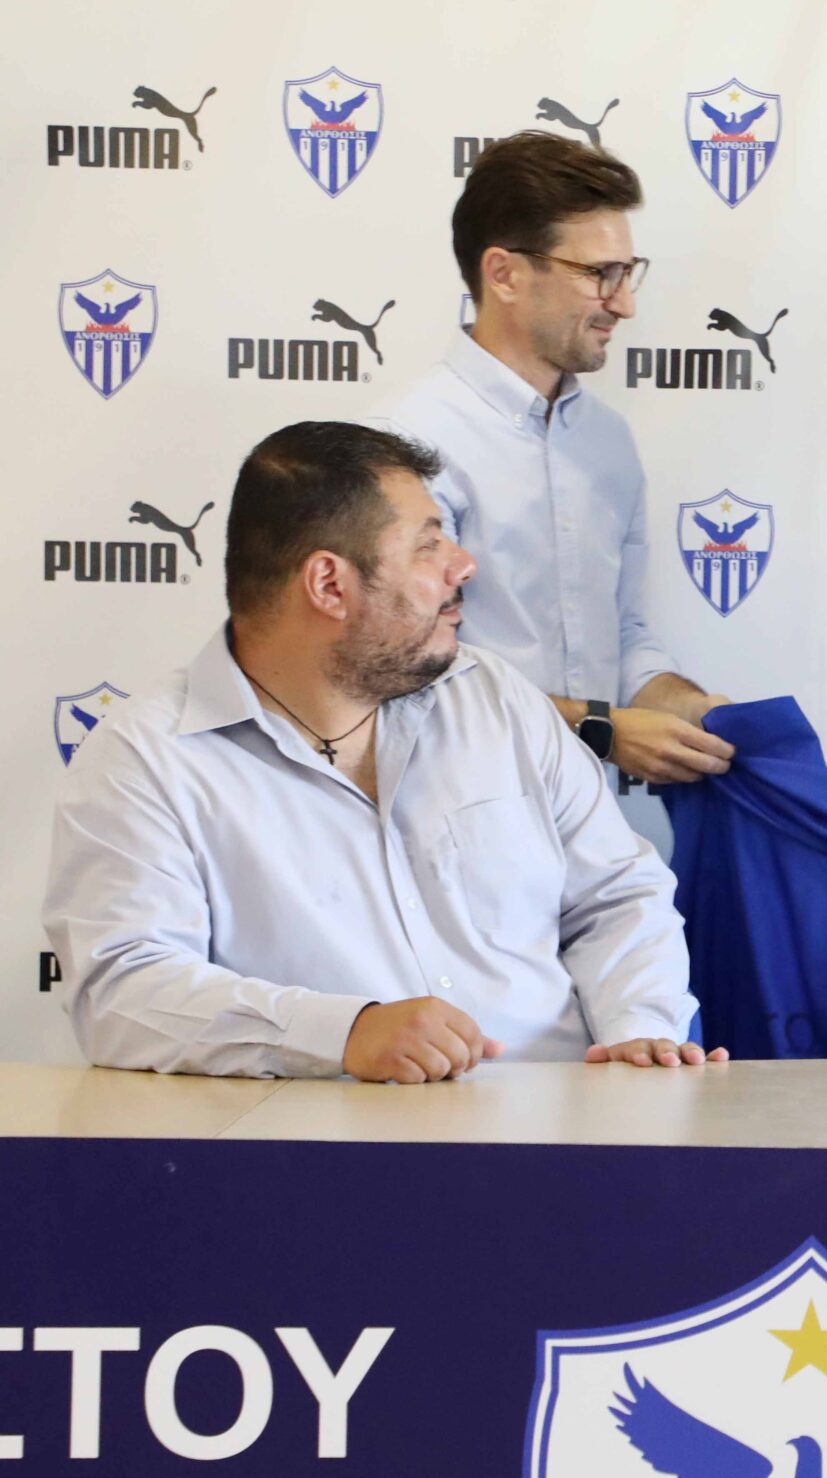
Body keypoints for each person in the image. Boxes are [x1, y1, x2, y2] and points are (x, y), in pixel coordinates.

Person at [44, 421, 724, 1082]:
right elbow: (123, 992)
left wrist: (639, 1029)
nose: (463, 565)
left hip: (569, 1126)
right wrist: (341, 1033)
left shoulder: (494, 697)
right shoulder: (147, 760)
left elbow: (616, 896)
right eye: (429, 545)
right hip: (334, 1148)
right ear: (329, 585)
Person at [378, 130, 733, 791]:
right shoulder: (402, 445)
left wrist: (695, 711)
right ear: (504, 274)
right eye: (599, 274)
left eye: (627, 273)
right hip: (456, 819)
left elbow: (622, 637)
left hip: (592, 825)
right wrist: (601, 729)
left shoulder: (608, 443)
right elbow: (406, 673)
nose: (624, 303)